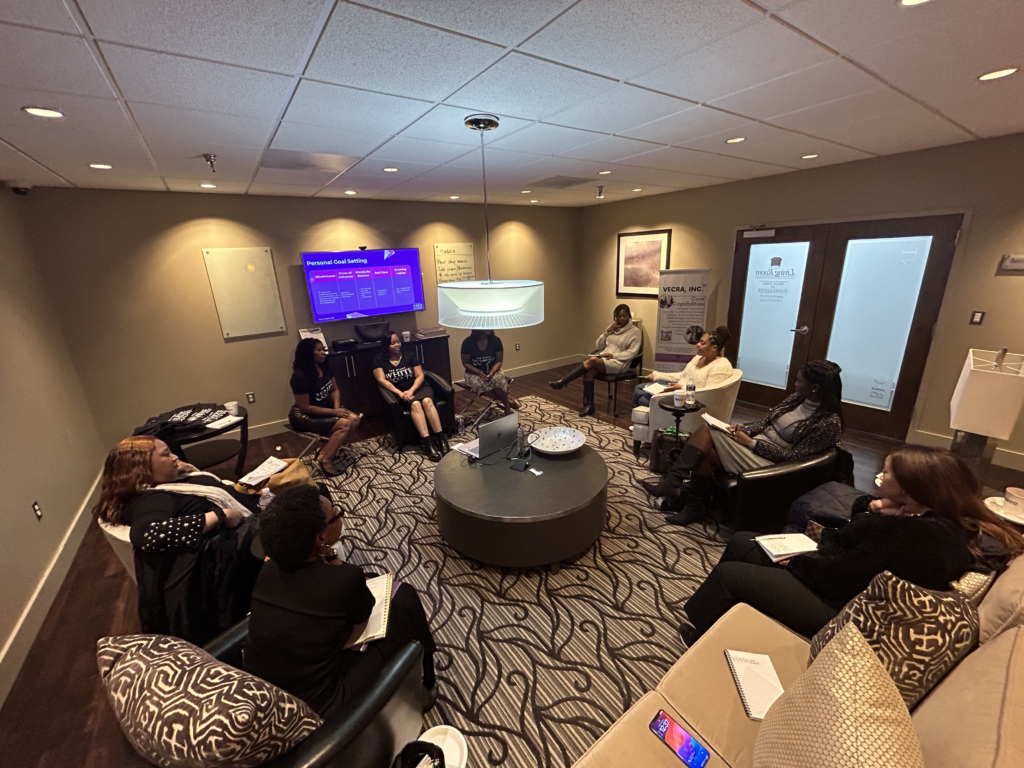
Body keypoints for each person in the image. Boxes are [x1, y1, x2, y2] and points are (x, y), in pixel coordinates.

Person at [678, 444, 1024, 645]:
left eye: (887, 473)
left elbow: (841, 577)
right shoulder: (926, 516)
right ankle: (727, 619)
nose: (881, 477)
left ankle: (702, 633)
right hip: (842, 578)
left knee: (731, 575)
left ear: (911, 487)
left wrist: (796, 562)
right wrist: (875, 507)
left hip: (841, 611)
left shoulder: (920, 536)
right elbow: (857, 545)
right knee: (744, 541)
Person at [244, 485, 438, 716]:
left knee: (375, 582)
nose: (340, 516)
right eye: (336, 514)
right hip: (323, 705)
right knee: (404, 597)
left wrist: (328, 555)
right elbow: (363, 612)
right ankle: (427, 679)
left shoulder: (267, 571)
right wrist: (338, 565)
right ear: (320, 537)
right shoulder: (344, 579)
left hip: (268, 691)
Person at [93, 436, 262, 645]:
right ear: (142, 468)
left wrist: (192, 473)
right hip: (240, 554)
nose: (175, 457)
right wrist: (220, 515)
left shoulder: (164, 484)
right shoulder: (153, 500)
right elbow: (147, 534)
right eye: (166, 454)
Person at [641, 360, 845, 526]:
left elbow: (793, 458)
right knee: (706, 451)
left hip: (773, 465)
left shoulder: (828, 422)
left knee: (706, 431)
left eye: (800, 381)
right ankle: (693, 505)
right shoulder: (796, 399)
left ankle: (674, 481)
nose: (795, 383)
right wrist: (747, 430)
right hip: (755, 445)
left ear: (815, 388)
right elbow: (768, 421)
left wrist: (751, 443)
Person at [550, 304, 642, 417]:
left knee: (592, 360)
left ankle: (564, 382)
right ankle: (590, 406)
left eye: (624, 315)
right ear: (615, 317)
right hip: (605, 359)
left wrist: (614, 355)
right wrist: (606, 332)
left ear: (629, 316)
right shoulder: (613, 328)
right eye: (619, 316)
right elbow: (599, 345)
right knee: (589, 371)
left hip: (620, 363)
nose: (622, 318)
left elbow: (632, 353)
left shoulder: (634, 331)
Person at [288, 338, 361, 477]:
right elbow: (305, 407)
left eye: (323, 349)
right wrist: (335, 413)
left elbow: (334, 390)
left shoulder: (325, 366)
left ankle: (323, 451)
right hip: (303, 416)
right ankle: (326, 460)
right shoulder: (299, 376)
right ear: (309, 353)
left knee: (355, 419)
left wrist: (336, 410)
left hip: (324, 409)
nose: (323, 352)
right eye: (319, 350)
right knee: (345, 424)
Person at [373, 332, 450, 461]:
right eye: (393, 343)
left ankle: (441, 439)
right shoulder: (379, 360)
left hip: (418, 388)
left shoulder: (409, 356)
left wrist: (411, 391)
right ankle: (428, 443)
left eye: (398, 341)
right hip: (401, 392)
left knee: (427, 402)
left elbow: (420, 376)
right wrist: (400, 393)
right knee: (415, 404)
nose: (397, 345)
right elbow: (381, 380)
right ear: (386, 345)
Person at [631, 326, 733, 409]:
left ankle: (650, 422)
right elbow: (682, 375)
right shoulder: (698, 358)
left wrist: (682, 388)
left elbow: (708, 393)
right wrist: (658, 375)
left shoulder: (721, 366)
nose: (697, 344)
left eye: (702, 343)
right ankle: (640, 422)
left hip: (687, 398)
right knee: (639, 389)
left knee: (643, 399)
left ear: (714, 348)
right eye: (699, 341)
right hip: (678, 389)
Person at [461, 329, 514, 416]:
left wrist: (492, 372)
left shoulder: (496, 340)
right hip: (473, 373)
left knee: (496, 380)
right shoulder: (468, 342)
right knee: (480, 384)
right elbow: (466, 363)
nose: (489, 328)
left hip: (493, 371)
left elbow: (499, 361)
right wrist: (479, 372)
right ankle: (506, 402)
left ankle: (507, 406)